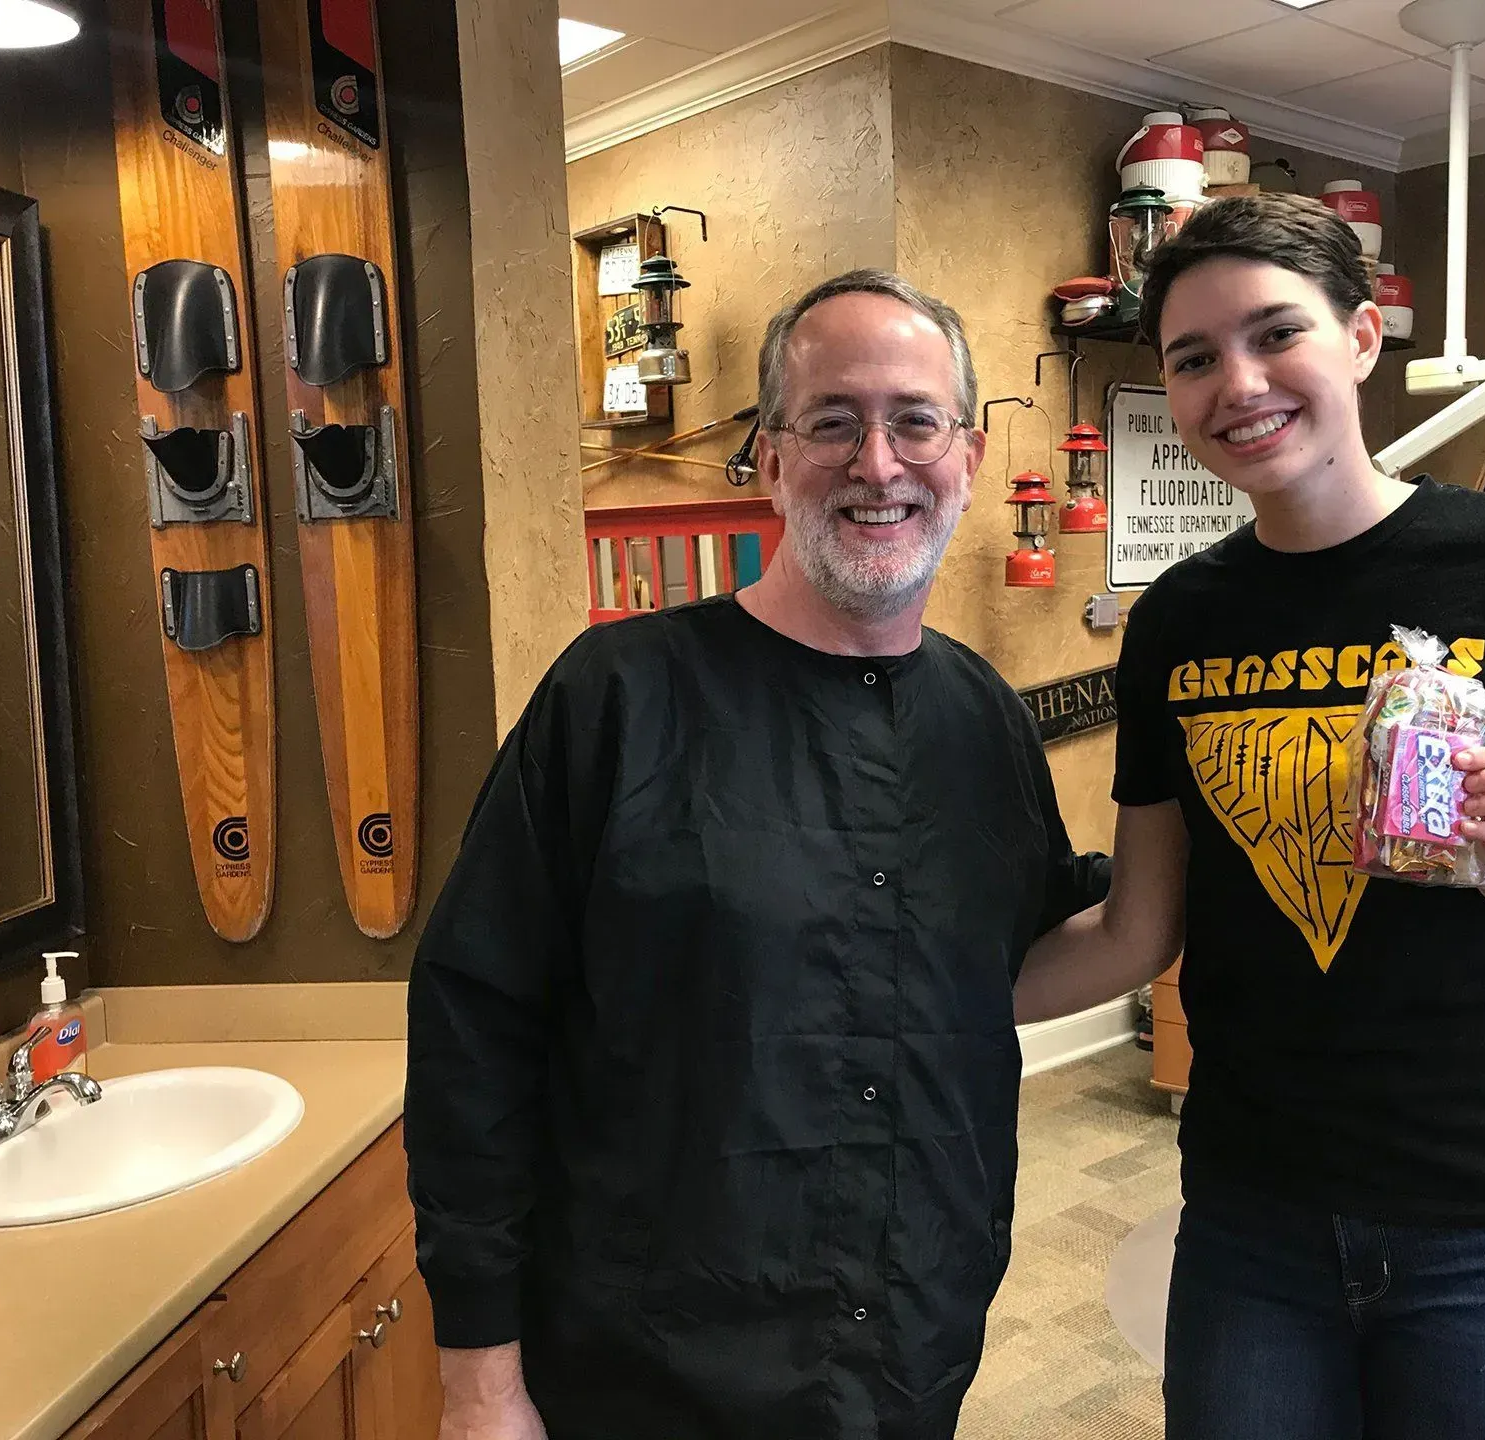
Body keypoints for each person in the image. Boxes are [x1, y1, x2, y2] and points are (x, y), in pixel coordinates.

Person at [1014, 194, 1485, 1440]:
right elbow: (1138, 927)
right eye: (1193, 358)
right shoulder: (1178, 618)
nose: (1238, 383)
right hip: (1253, 1215)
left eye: (1274, 333)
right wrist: (909, 1005)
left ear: (1360, 337)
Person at [406, 269, 1110, 1440]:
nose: (878, 463)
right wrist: (478, 1378)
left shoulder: (981, 718)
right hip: (644, 1375)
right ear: (772, 462)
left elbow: (1027, 942)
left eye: (916, 422)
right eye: (833, 422)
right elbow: (474, 1028)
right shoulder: (617, 697)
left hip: (909, 1353)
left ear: (971, 458)